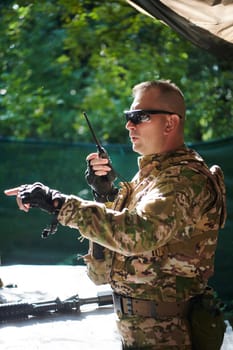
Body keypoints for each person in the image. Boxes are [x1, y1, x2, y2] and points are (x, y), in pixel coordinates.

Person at [5, 80, 227, 349]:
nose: (129, 125)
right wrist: (104, 195)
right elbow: (103, 271)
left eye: (139, 117)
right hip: (141, 330)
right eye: (128, 117)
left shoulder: (184, 179)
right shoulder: (151, 178)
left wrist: (59, 204)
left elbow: (138, 233)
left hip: (172, 336)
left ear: (170, 124)